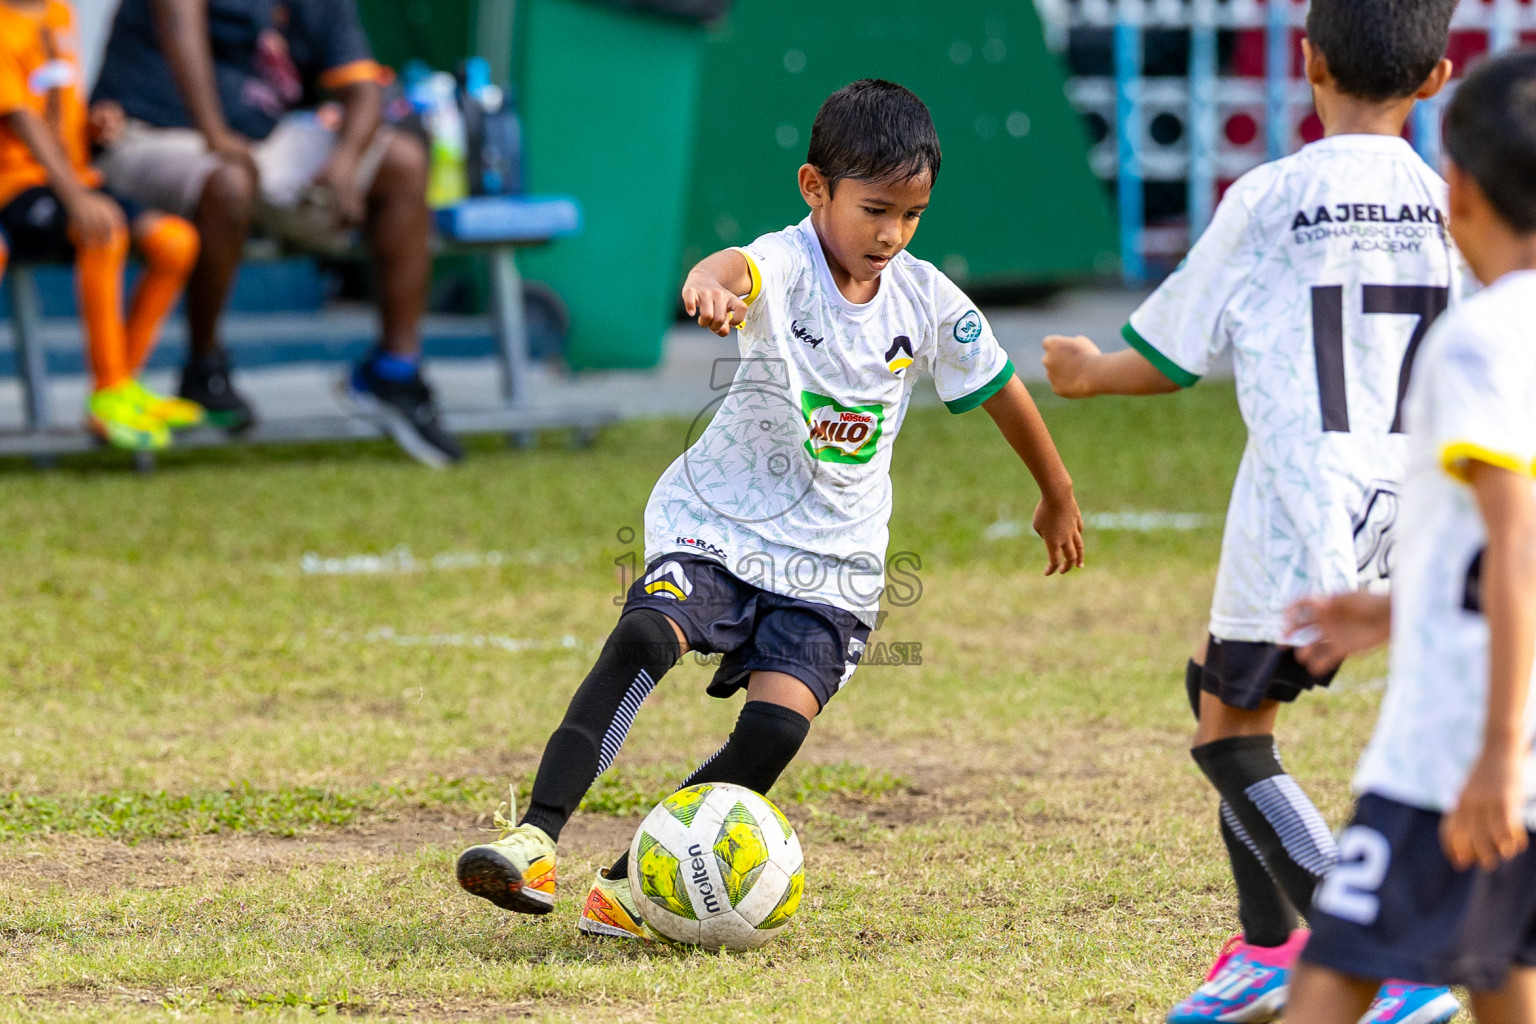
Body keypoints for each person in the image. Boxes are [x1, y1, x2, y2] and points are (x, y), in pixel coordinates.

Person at [453, 79, 1085, 938]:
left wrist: (1058, 491)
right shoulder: (785, 263)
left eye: (913, 215)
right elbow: (730, 268)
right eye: (874, 210)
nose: (892, 234)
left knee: (777, 731)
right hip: (719, 524)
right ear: (813, 188)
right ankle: (535, 838)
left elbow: (1003, 388)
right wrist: (708, 288)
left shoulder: (927, 297)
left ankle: (633, 885)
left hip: (835, 562)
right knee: (645, 635)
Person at [1041, 1, 1465, 1021]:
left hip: (1300, 503)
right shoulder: (1456, 203)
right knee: (1223, 694)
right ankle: (1268, 950)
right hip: (1420, 503)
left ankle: (1383, 964)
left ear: (1307, 61)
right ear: (1440, 76)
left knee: (1229, 737)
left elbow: (1175, 352)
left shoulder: (1273, 195)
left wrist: (1091, 372)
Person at [1283, 49, 1536, 1024]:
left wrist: (1496, 754)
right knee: (1501, 959)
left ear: (1459, 190)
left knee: (1335, 965)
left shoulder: (1478, 340)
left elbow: (1515, 545)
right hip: (1500, 723)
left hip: (1453, 742)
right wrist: (1397, 607)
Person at [91, 0, 463, 467]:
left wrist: (346, 161)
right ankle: (204, 370)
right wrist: (215, 133)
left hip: (265, 141)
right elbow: (179, 21)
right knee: (229, 180)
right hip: (150, 133)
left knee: (403, 162)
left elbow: (363, 89)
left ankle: (395, 370)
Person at [0, 0, 202, 452]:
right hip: (18, 185)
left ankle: (121, 386)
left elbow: (54, 100)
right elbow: (21, 117)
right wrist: (74, 196)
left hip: (78, 178)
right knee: (103, 231)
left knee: (176, 242)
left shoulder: (57, 12)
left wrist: (92, 123)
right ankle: (108, 388)